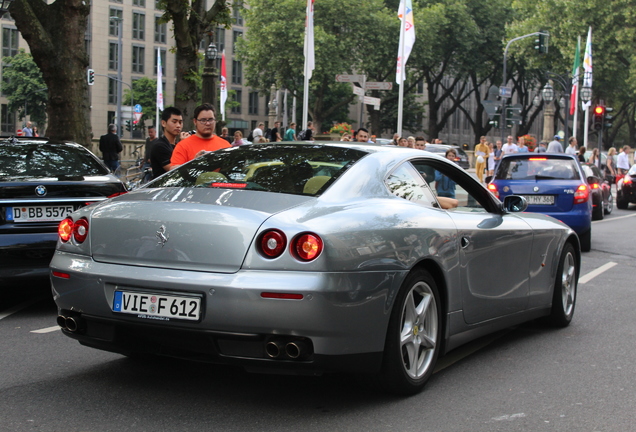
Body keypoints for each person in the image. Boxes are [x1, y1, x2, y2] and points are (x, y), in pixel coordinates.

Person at [150, 107, 183, 179]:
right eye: (174, 122)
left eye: (180, 122)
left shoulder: (177, 145)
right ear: (163, 123)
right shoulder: (159, 146)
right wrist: (184, 145)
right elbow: (174, 171)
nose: (178, 125)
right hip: (163, 188)